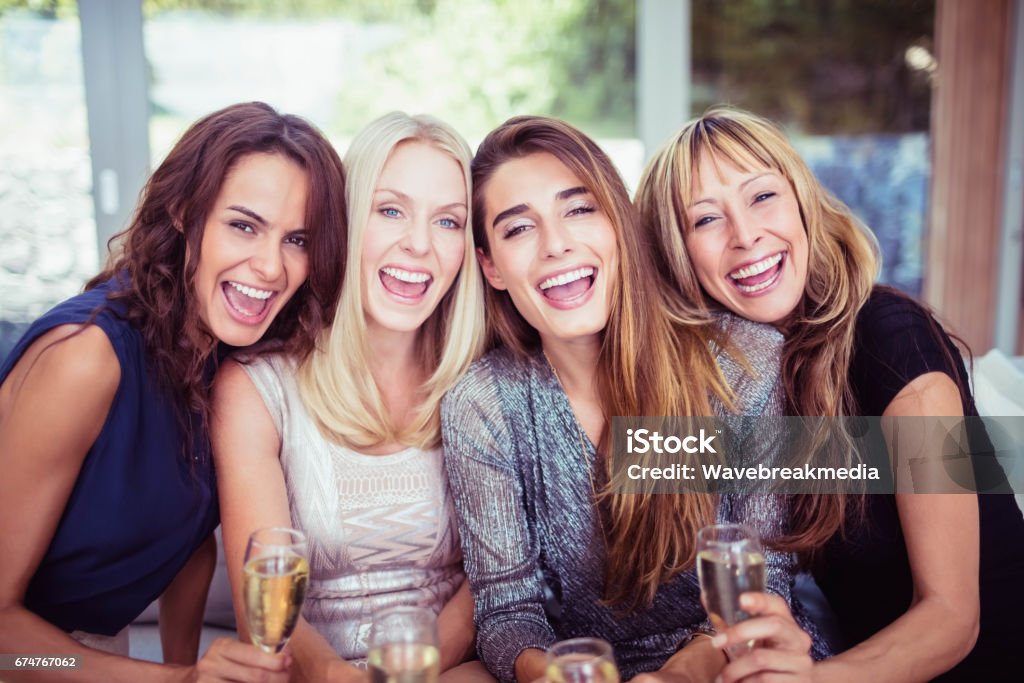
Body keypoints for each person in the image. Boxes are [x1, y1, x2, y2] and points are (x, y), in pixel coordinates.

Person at [634, 105, 1024, 682]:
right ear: (676, 255)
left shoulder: (892, 338)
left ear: (801, 201)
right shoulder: (739, 378)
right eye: (706, 220)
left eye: (762, 197)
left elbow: (953, 615)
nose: (746, 236)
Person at [441, 115, 826, 683]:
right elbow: (506, 611)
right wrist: (560, 675)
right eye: (519, 228)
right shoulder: (482, 403)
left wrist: (679, 675)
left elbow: (763, 575)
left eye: (579, 209)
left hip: (726, 660)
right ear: (491, 266)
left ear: (619, 224)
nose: (557, 245)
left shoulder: (740, 361)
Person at [0, 101, 348, 682]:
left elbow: (187, 540)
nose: (270, 267)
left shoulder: (224, 351)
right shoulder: (86, 360)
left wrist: (186, 665)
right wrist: (176, 680)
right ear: (185, 213)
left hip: (88, 656)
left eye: (297, 239)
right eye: (244, 225)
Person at [212, 111, 486, 683]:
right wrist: (340, 675)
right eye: (390, 211)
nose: (419, 244)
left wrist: (413, 669)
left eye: (448, 222)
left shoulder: (482, 382)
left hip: (447, 670)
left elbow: (495, 577)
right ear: (345, 221)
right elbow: (259, 604)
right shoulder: (257, 389)